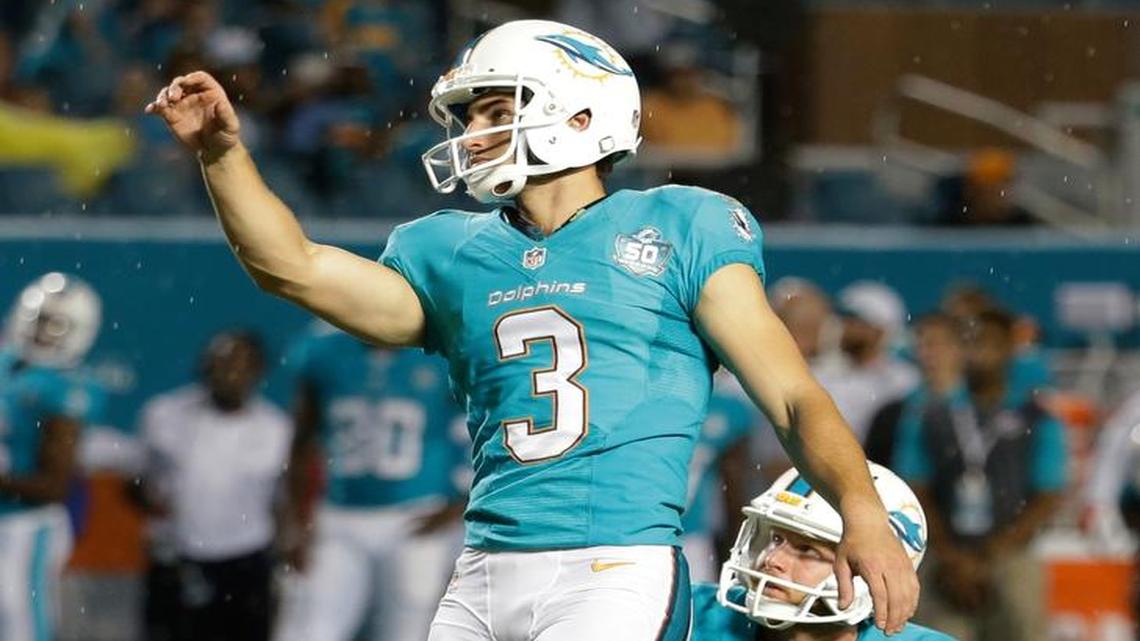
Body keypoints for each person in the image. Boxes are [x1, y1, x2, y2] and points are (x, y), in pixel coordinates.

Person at [146, 19, 919, 639]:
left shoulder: (677, 224)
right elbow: (296, 268)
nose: (473, 132)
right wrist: (223, 155)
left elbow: (789, 395)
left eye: (494, 109)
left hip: (613, 569)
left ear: (581, 113)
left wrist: (861, 510)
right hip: (482, 568)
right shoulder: (451, 250)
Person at [278, 323, 468, 641]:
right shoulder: (322, 350)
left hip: (417, 516)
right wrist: (296, 522)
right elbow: (301, 441)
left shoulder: (443, 352)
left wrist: (463, 503)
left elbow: (487, 429)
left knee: (410, 631)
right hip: (340, 516)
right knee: (309, 629)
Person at [893, 309, 1067, 641]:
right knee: (933, 630)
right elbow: (915, 489)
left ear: (1009, 350)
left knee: (1022, 613)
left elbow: (1048, 494)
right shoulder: (930, 413)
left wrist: (989, 557)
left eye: (991, 344)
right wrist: (952, 557)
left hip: (1010, 553)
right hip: (943, 554)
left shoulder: (1035, 416)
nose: (980, 353)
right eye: (972, 343)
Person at [133, 330, 290, 641]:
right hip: (176, 559)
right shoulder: (163, 414)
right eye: (220, 363)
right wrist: (153, 503)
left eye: (240, 365)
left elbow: (282, 501)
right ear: (204, 367)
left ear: (258, 371)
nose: (229, 373)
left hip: (246, 561)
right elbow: (140, 479)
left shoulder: (277, 429)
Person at [692, 463, 956, 641]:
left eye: (807, 549)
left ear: (871, 573)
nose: (772, 560)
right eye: (776, 538)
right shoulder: (693, 611)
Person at [0, 272, 103, 641]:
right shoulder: (7, 364)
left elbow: (54, 486)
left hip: (28, 526)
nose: (43, 332)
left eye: (56, 324)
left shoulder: (67, 389)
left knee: (21, 621)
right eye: (39, 320)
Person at [683, 371, 760, 584]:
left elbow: (735, 484)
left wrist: (736, 548)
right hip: (621, 528)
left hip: (692, 536)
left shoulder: (729, 407)